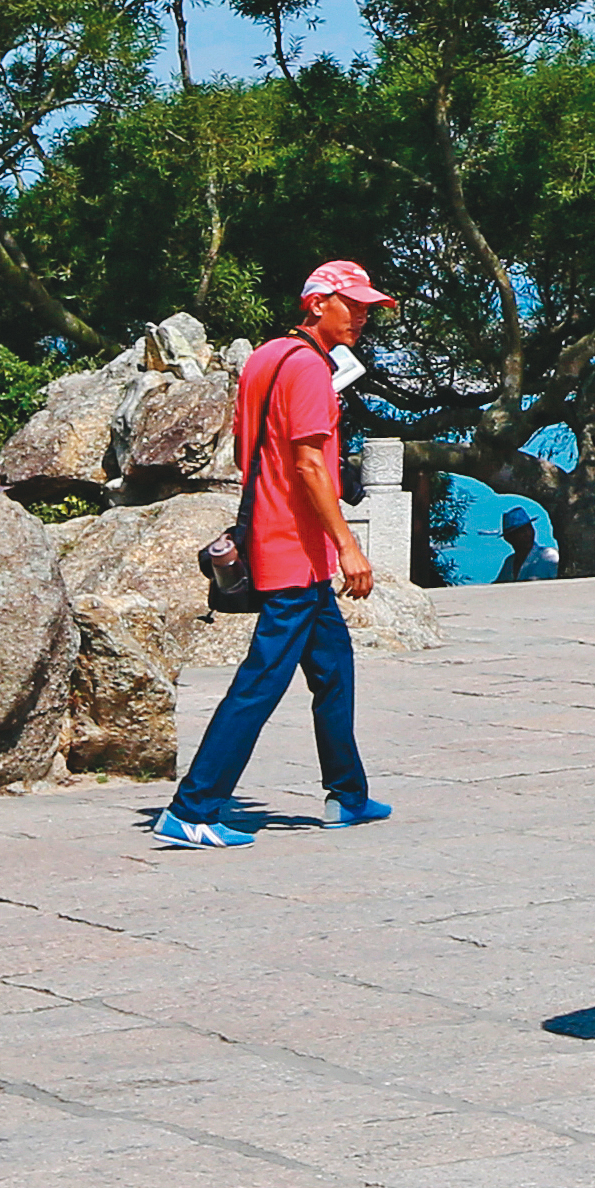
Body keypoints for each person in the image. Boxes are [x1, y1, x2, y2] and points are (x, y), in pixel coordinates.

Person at [155, 261, 400, 846]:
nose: (362, 316)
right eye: (353, 304)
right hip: (295, 549)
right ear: (318, 304)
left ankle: (349, 794)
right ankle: (194, 807)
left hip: (285, 544)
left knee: (334, 668)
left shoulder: (266, 357)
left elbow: (248, 449)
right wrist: (349, 546)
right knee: (262, 680)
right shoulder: (311, 370)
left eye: (367, 306)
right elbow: (311, 464)